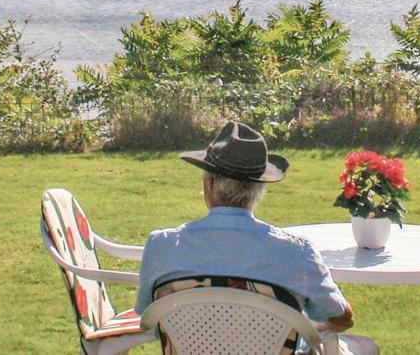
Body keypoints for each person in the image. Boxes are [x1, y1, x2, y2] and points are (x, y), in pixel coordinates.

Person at [135, 120, 378, 355]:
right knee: (365, 347)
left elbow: (148, 316)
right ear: (260, 189)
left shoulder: (163, 246)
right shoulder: (295, 252)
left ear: (209, 182)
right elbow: (341, 317)